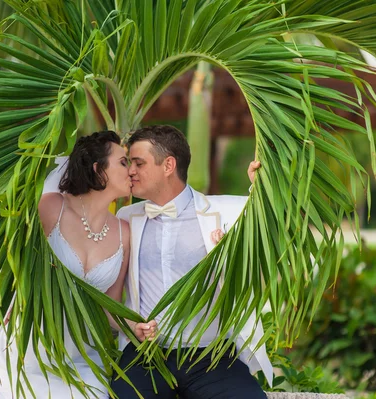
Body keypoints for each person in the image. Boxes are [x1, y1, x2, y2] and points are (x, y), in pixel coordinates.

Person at [0, 131, 156, 399]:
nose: (132, 170)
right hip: (32, 347)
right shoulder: (52, 208)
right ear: (98, 169)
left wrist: (132, 326)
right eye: (124, 162)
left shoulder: (124, 232)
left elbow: (108, 307)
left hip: (84, 356)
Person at [112, 125, 272, 398]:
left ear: (169, 165)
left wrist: (264, 187)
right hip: (145, 355)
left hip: (211, 356)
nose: (131, 171)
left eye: (139, 163)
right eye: (130, 164)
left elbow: (280, 223)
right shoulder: (126, 218)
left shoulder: (230, 212)